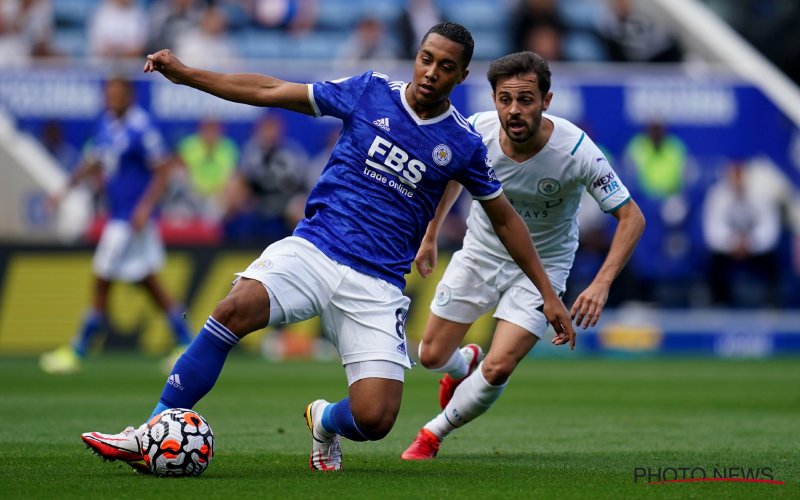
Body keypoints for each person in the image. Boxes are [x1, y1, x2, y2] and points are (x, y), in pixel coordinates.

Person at [80, 22, 575, 472]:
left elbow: (506, 220)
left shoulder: (463, 143)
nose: (431, 72)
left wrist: (548, 295)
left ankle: (325, 422)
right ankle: (148, 430)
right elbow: (271, 89)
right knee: (234, 308)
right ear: (417, 56)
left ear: (461, 76)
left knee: (376, 418)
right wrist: (189, 75)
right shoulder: (370, 92)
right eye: (426, 58)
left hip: (378, 283)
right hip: (315, 248)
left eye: (445, 67)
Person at [400, 51, 645, 460]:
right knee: (429, 356)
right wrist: (431, 234)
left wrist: (601, 284)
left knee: (498, 368)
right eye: (505, 99)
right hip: (479, 255)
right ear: (494, 99)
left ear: (546, 101)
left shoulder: (578, 150)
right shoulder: (475, 131)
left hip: (541, 271)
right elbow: (450, 180)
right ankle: (464, 365)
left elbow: (631, 217)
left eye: (526, 99)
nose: (514, 110)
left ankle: (431, 435)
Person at [39, 78, 194, 375]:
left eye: (117, 94)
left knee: (102, 277)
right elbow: (93, 161)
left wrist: (145, 208)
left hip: (130, 218)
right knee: (147, 280)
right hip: (120, 216)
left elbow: (162, 170)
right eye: (108, 94)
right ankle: (186, 342)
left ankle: (79, 349)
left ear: (130, 96)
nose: (112, 99)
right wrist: (63, 190)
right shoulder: (107, 125)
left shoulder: (142, 128)